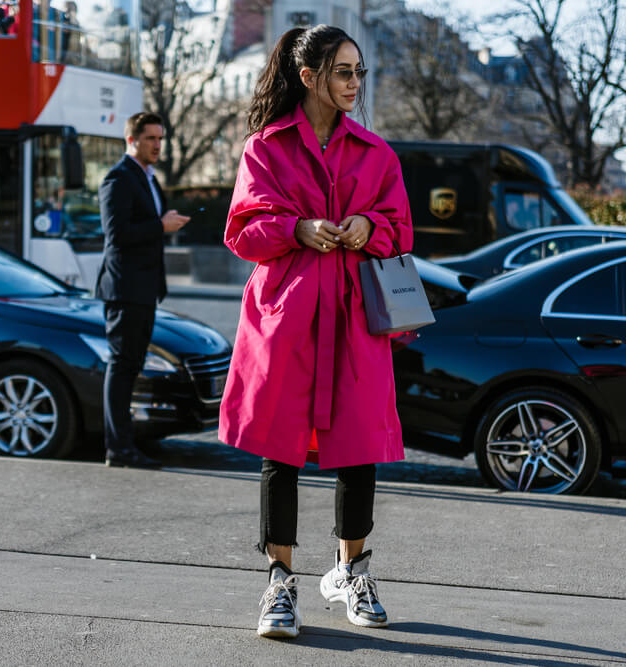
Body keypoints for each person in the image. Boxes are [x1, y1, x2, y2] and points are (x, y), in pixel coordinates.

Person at [218, 25, 413, 639]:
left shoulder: (377, 153)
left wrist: (367, 226)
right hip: (289, 318)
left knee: (360, 446)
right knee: (281, 448)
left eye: (360, 71)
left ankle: (351, 569)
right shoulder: (267, 148)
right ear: (310, 77)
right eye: (344, 71)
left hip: (356, 319)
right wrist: (296, 229)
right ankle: (279, 582)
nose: (356, 83)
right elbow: (242, 231)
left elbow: (400, 230)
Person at [96, 112, 189, 469]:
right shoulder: (117, 179)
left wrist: (164, 223)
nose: (158, 145)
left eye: (161, 139)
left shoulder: (148, 178)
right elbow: (116, 235)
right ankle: (118, 448)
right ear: (132, 139)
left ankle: (124, 444)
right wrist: (160, 225)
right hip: (124, 289)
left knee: (130, 366)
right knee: (122, 367)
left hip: (143, 288)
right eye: (151, 138)